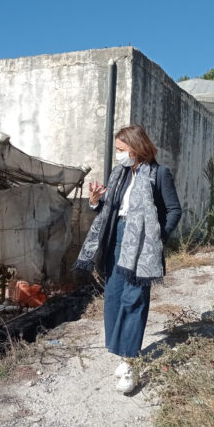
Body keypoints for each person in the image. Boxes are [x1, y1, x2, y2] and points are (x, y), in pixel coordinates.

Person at [75, 125, 181, 394]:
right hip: (116, 239)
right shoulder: (119, 174)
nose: (118, 155)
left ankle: (130, 360)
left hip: (143, 245)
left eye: (121, 150)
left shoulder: (159, 174)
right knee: (113, 297)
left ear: (136, 148)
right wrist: (95, 201)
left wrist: (159, 238)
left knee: (133, 300)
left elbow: (174, 210)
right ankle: (119, 349)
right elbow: (110, 209)